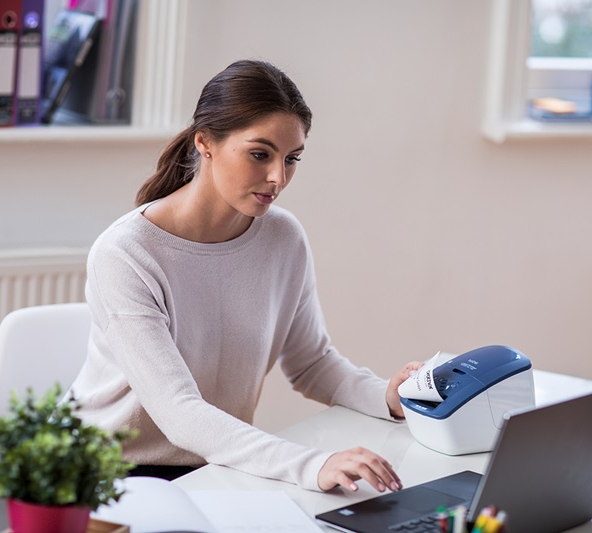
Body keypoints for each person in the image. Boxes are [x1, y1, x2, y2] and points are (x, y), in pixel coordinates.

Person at [70, 59, 423, 493]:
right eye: (260, 154)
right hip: (108, 474)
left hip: (212, 467)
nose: (278, 177)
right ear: (205, 143)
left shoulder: (282, 237)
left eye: (291, 159)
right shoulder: (127, 254)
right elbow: (180, 413)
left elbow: (312, 363)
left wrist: (386, 397)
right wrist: (314, 464)